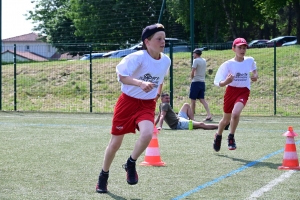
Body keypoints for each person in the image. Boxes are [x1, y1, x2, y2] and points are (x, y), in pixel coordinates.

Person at [96, 23, 171, 193]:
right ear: (147, 42)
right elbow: (122, 76)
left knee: (147, 133)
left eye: (164, 39)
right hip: (128, 103)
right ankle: (103, 175)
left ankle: (130, 162)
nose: (163, 42)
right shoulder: (137, 58)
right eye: (159, 39)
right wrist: (140, 83)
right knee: (115, 144)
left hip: (147, 104)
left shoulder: (166, 60)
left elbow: (159, 80)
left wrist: (156, 95)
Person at [213, 38, 258, 152]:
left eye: (244, 48)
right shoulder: (228, 64)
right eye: (239, 47)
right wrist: (226, 82)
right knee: (225, 120)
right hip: (231, 91)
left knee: (235, 113)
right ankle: (218, 136)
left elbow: (254, 67)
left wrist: (255, 75)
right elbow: (218, 82)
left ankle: (231, 137)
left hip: (243, 91)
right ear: (233, 49)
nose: (242, 50)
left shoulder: (249, 60)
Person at [189, 48, 212, 121]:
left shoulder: (195, 60)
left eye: (194, 53)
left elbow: (193, 71)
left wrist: (192, 78)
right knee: (202, 99)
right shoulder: (204, 60)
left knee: (193, 101)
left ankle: (192, 117)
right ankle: (209, 114)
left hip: (196, 82)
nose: (193, 55)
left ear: (196, 54)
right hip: (202, 82)